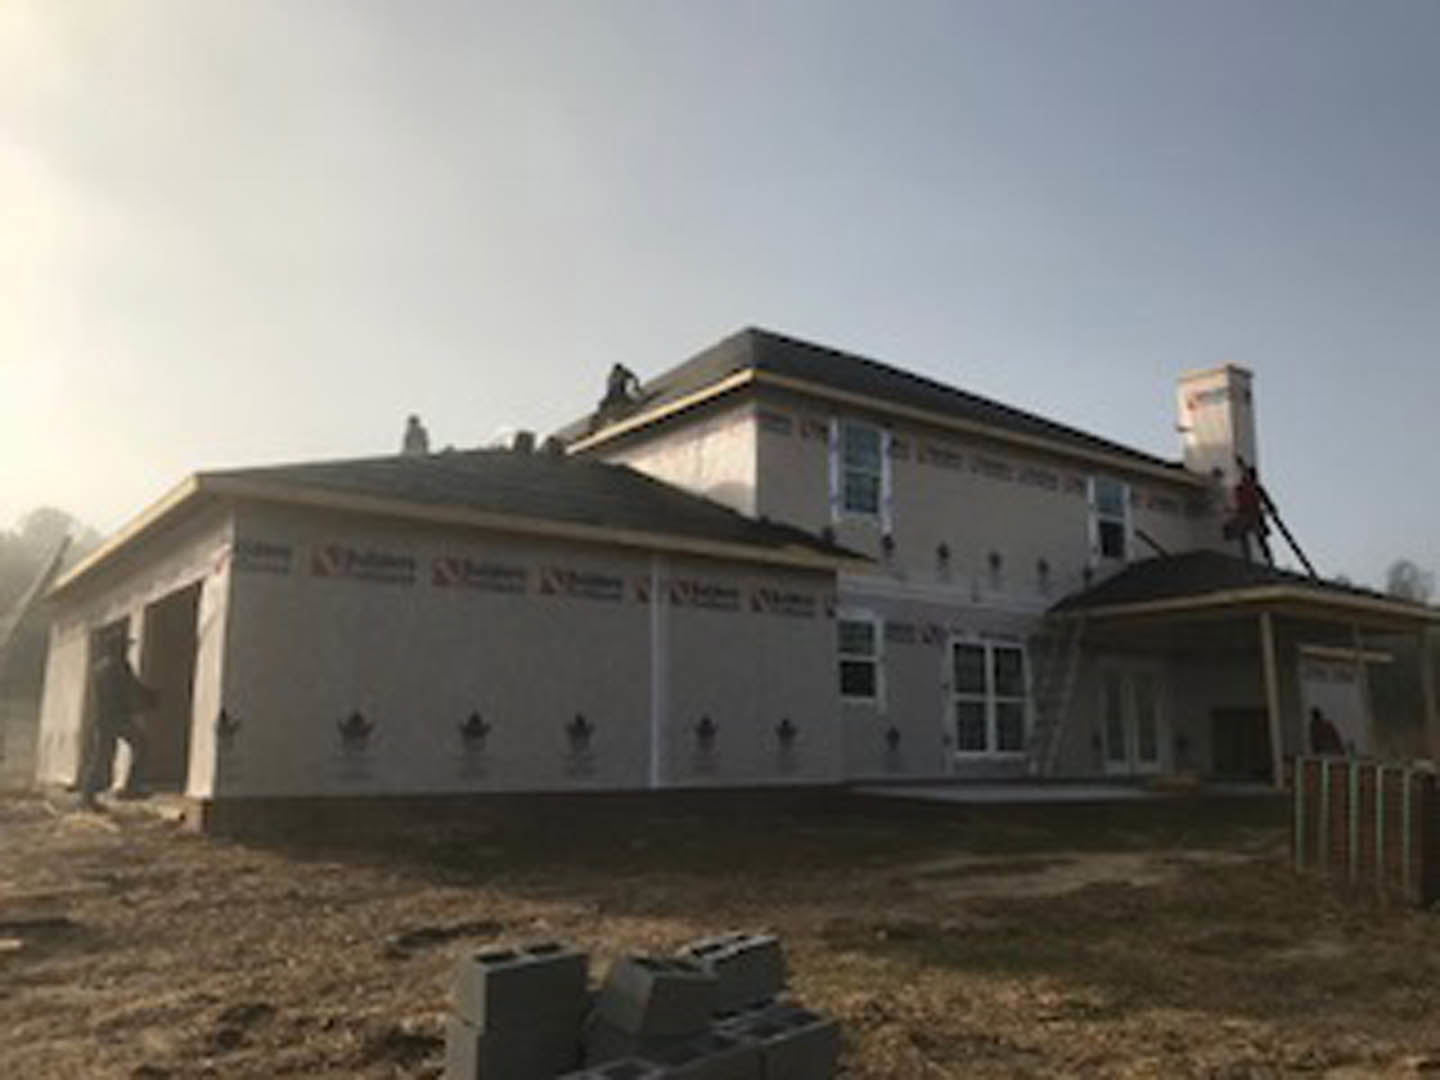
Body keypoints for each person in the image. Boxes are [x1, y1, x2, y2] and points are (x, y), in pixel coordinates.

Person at [79, 633, 159, 808]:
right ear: (117, 648)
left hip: (107, 718)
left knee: (104, 756)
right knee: (137, 747)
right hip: (115, 718)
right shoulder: (118, 666)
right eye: (124, 647)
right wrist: (149, 697)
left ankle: (89, 795)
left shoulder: (101, 667)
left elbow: (128, 688)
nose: (126, 650)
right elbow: (130, 688)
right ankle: (128, 788)